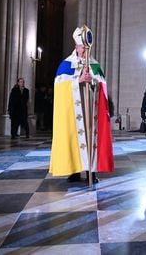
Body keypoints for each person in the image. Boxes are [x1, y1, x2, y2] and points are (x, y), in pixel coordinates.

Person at [49, 25, 114, 184]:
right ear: (76, 47)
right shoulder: (66, 64)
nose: (84, 50)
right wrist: (77, 81)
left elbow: (103, 85)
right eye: (81, 47)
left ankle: (91, 171)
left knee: (91, 139)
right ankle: (74, 171)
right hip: (73, 111)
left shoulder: (95, 65)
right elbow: (59, 85)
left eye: (86, 48)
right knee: (74, 139)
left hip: (91, 111)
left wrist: (92, 80)